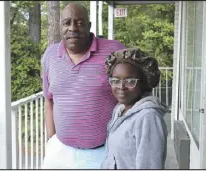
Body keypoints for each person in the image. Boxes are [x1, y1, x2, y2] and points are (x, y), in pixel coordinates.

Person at [41, 2, 126, 169]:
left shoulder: (115, 51)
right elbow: (49, 100)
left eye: (79, 22)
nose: (73, 28)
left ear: (89, 26)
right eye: (67, 23)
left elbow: (132, 94)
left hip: (102, 153)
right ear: (60, 26)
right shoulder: (50, 55)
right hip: (59, 152)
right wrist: (51, 141)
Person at [101, 48, 168, 169]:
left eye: (130, 81)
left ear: (144, 83)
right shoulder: (120, 109)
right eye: (115, 80)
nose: (121, 87)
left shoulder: (148, 118)